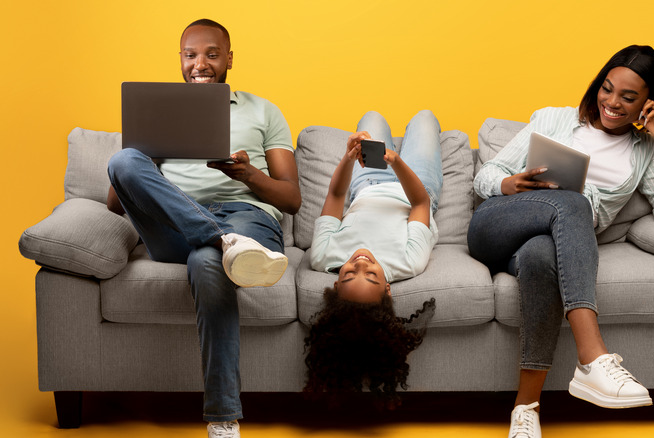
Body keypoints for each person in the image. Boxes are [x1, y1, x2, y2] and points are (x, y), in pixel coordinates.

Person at [468, 45, 654, 438]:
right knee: (574, 202)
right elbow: (486, 175)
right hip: (496, 225)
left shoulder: (645, 152)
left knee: (541, 259)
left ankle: (526, 409)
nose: (612, 103)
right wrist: (509, 183)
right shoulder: (554, 119)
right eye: (607, 89)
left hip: (537, 249)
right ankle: (593, 356)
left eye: (628, 97)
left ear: (648, 104)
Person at [106, 19, 300, 438]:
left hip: (247, 216)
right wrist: (146, 146)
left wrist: (248, 175)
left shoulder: (264, 110)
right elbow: (114, 202)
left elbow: (291, 199)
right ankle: (220, 237)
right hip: (180, 221)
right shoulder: (158, 113)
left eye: (212, 54)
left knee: (209, 262)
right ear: (180, 60)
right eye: (191, 55)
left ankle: (222, 418)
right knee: (123, 161)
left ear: (229, 58)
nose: (201, 65)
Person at [304, 110, 441, 408]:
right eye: (372, 275)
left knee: (371, 117)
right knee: (425, 118)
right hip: (415, 184)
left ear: (336, 285)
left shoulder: (324, 256)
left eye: (350, 274)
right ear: (388, 288)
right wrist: (397, 163)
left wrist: (349, 157)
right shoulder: (408, 262)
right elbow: (421, 202)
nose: (361, 263)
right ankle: (404, 145)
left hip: (366, 185)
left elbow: (337, 194)